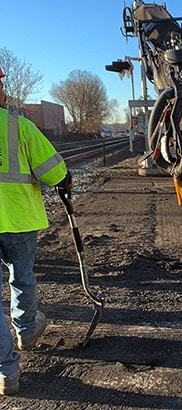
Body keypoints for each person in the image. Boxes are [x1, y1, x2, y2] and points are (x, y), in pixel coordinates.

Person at [0, 68, 72, 395]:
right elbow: (54, 171)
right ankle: (27, 331)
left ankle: (6, 371)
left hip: (17, 221)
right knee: (22, 276)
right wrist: (65, 181)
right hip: (18, 220)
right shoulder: (18, 126)